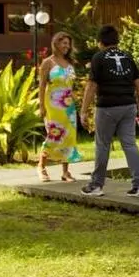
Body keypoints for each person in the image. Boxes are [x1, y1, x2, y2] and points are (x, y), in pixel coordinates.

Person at [80, 25, 139, 198]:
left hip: (107, 107)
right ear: (117, 40)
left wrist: (83, 111)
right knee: (130, 144)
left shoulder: (98, 57)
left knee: (102, 145)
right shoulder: (127, 57)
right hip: (128, 106)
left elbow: (92, 85)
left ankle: (96, 185)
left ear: (100, 41)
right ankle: (138, 185)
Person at [36, 31, 82, 182]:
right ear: (56, 43)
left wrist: (79, 104)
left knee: (69, 137)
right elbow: (42, 86)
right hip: (53, 106)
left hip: (69, 107)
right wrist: (41, 106)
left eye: (68, 44)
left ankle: (65, 172)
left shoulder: (70, 63)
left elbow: (70, 86)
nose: (66, 47)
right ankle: (41, 167)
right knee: (53, 135)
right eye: (64, 43)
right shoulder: (48, 62)